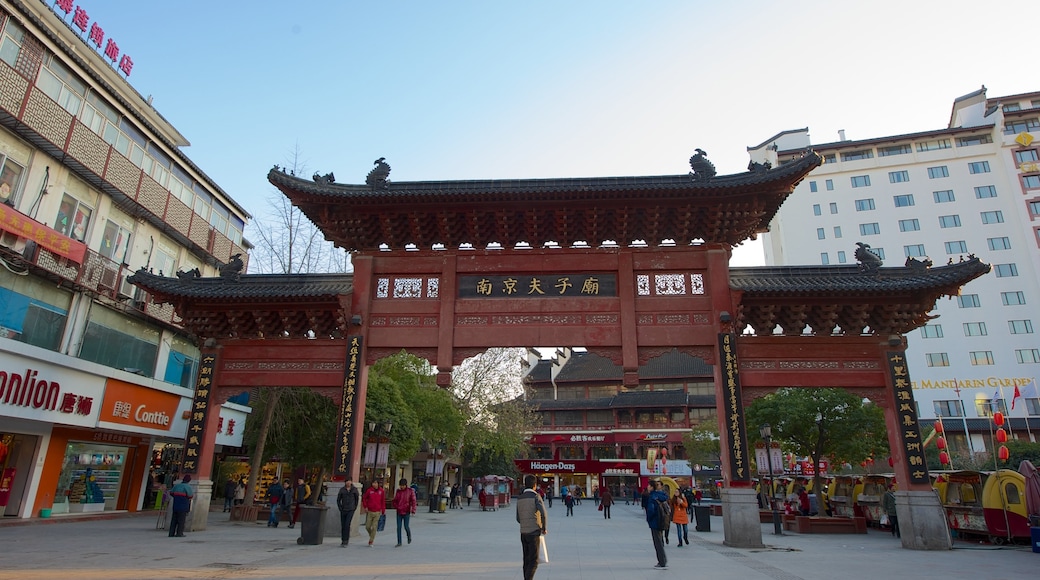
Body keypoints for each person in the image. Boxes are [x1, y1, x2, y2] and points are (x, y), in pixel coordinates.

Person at [516, 474, 547, 580]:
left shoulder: (520, 498)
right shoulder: (536, 496)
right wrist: (543, 527)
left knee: (526, 560)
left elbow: (518, 518)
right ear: (535, 485)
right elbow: (543, 513)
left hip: (523, 532)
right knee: (534, 561)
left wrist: (524, 523)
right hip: (533, 532)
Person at [646, 480, 669, 569]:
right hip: (662, 520)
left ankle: (662, 562)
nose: (647, 487)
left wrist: (649, 519)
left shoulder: (652, 497)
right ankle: (663, 560)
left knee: (658, 543)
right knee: (660, 541)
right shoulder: (661, 495)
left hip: (655, 522)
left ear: (652, 487)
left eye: (649, 486)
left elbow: (651, 511)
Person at [392, 478, 417, 546]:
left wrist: (413, 510)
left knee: (406, 526)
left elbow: (414, 501)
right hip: (399, 511)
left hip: (406, 511)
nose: (401, 487)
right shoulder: (398, 491)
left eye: (403, 485)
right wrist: (396, 506)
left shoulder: (410, 491)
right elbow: (395, 500)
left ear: (405, 485)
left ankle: (409, 536)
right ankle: (399, 542)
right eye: (400, 485)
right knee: (399, 527)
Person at [362, 479, 386, 546]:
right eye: (373, 483)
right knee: (368, 526)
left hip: (377, 512)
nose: (374, 484)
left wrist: (383, 510)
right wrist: (365, 506)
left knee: (374, 527)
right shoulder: (369, 491)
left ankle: (371, 541)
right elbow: (364, 498)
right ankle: (371, 535)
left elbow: (383, 501)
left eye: (375, 483)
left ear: (378, 484)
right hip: (370, 511)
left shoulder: (381, 491)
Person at [336, 478, 359, 547]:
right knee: (343, 525)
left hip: (351, 509)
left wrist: (354, 507)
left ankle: (346, 540)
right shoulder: (342, 490)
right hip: (343, 509)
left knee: (347, 524)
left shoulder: (354, 490)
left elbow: (356, 499)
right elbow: (338, 500)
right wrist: (340, 508)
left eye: (349, 481)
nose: (348, 483)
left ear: (351, 482)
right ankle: (343, 540)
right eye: (347, 482)